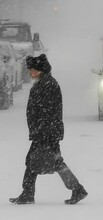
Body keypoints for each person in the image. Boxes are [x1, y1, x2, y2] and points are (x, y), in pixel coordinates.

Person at [10, 54, 88, 205]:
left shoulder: (48, 85)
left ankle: (75, 189)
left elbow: (48, 112)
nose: (31, 73)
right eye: (30, 70)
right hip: (44, 131)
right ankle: (29, 193)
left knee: (42, 162)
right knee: (44, 161)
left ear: (41, 70)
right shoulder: (43, 83)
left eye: (33, 70)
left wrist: (43, 132)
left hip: (46, 132)